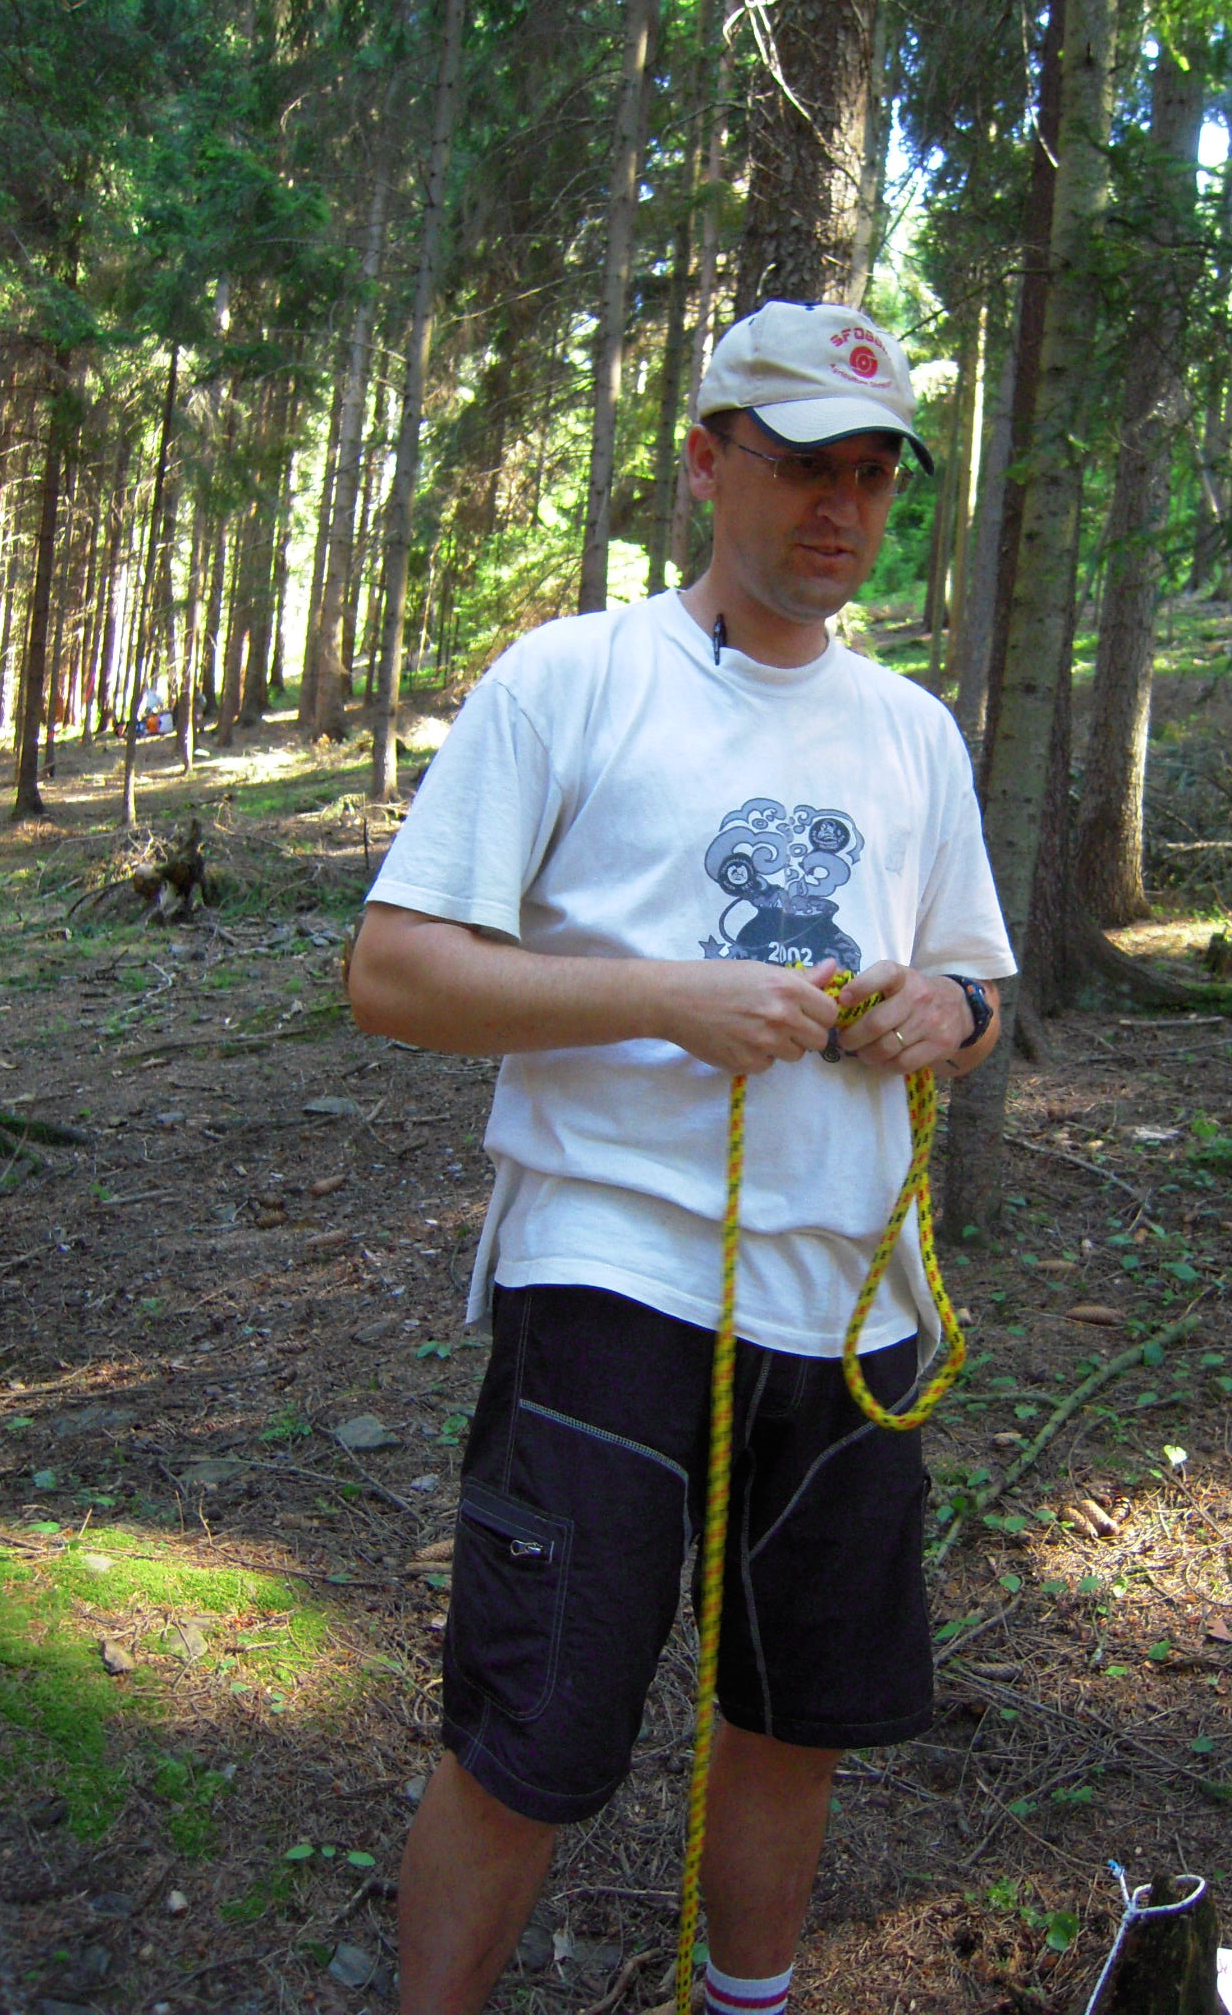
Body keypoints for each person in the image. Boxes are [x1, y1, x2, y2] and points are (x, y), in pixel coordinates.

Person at [348, 299, 1016, 2015]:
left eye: (875, 475)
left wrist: (945, 1013)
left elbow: (975, 989)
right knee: (532, 1730)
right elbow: (394, 973)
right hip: (611, 1281)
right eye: (803, 466)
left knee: (794, 1719)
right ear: (708, 463)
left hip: (849, 1303)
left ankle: (747, 2001)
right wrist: (666, 997)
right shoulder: (575, 678)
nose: (843, 509)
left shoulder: (912, 731)